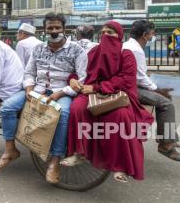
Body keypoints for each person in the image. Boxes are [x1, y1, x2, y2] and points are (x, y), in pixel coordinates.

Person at [0, 13, 87, 184]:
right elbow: (29, 73)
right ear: (44, 30)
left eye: (57, 27)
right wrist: (29, 89)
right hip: (37, 89)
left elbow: (82, 79)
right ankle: (10, 150)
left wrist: (60, 94)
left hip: (62, 92)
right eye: (50, 28)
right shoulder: (38, 49)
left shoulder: (77, 50)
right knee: (7, 107)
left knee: (63, 114)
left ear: (64, 29)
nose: (54, 31)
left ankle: (55, 161)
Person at [66, 21, 154, 182]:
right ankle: (79, 152)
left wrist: (96, 87)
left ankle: (120, 165)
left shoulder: (126, 54)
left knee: (120, 116)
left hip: (116, 95)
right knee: (77, 108)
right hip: (89, 93)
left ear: (119, 36)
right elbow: (78, 72)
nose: (106, 35)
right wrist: (72, 80)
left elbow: (125, 80)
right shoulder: (92, 52)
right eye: (104, 32)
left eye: (111, 33)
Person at [123, 20, 180, 162]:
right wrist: (157, 89)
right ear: (145, 35)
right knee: (166, 103)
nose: (154, 37)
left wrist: (155, 87)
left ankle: (169, 139)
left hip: (132, 85)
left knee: (167, 99)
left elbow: (139, 75)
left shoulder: (129, 46)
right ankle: (166, 145)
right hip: (130, 89)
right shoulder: (136, 50)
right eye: (153, 34)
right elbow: (140, 78)